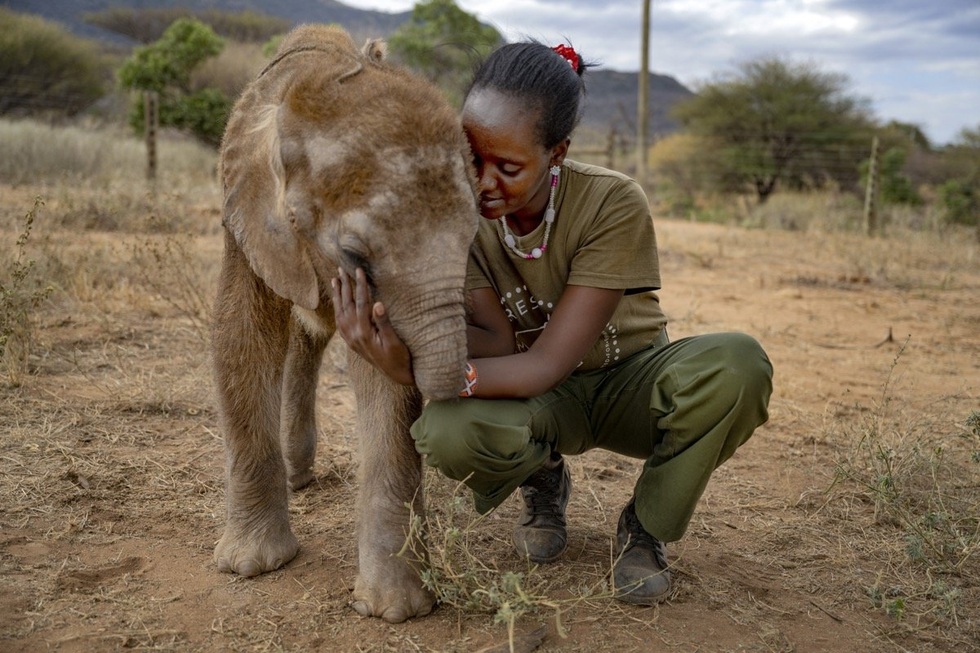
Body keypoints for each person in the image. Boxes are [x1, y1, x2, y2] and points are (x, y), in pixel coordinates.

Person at [331, 41, 773, 605]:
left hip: (627, 383)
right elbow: (497, 340)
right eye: (471, 158)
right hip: (537, 397)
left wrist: (423, 374)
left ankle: (645, 526)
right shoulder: (461, 217)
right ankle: (543, 477)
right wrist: (389, 337)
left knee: (738, 365)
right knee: (450, 432)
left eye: (508, 167)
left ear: (557, 153)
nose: (483, 182)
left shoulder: (612, 203)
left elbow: (546, 361)